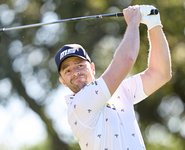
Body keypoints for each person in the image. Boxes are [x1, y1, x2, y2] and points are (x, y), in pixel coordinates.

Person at [55, 5, 171, 150]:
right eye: (68, 71)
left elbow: (161, 74)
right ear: (63, 82)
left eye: (79, 66)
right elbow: (126, 60)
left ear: (92, 68)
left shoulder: (120, 90)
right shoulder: (78, 105)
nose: (75, 73)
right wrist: (133, 22)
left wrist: (154, 24)